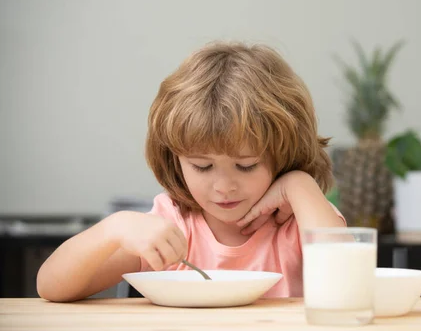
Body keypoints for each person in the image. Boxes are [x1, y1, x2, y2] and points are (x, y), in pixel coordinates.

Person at [36, 41, 346, 302]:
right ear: (175, 159)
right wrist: (113, 228)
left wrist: (301, 186)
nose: (224, 187)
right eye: (202, 166)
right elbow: (51, 287)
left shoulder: (302, 218)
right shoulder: (172, 224)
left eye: (246, 165)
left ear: (284, 153)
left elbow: (345, 285)